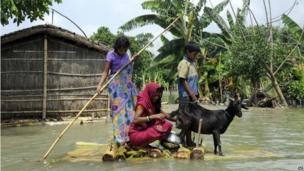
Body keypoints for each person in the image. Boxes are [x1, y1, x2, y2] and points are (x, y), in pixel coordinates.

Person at [96, 36, 138, 146]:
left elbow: (128, 69)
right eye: (121, 49)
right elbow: (105, 72)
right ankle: (119, 138)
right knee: (117, 112)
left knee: (129, 112)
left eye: (125, 49)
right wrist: (100, 85)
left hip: (127, 87)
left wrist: (133, 60)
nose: (123, 51)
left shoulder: (127, 54)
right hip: (116, 88)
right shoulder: (110, 55)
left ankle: (129, 137)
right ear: (117, 47)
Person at [128, 83, 172, 147]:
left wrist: (179, 118)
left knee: (167, 125)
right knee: (158, 129)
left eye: (158, 96)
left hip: (145, 131)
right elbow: (135, 120)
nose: (156, 98)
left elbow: (167, 116)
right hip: (136, 135)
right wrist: (153, 116)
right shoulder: (142, 103)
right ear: (150, 92)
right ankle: (140, 144)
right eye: (155, 95)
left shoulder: (153, 103)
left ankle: (146, 144)